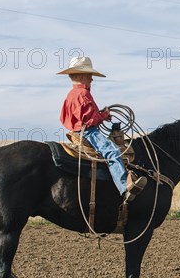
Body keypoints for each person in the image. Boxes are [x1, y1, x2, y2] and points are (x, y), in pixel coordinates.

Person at [58, 56, 146, 202]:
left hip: (78, 131)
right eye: (90, 76)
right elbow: (89, 120)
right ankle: (124, 187)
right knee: (112, 151)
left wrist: (100, 115)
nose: (92, 80)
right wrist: (104, 115)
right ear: (81, 76)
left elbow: (67, 117)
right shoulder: (83, 94)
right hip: (88, 132)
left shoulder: (70, 95)